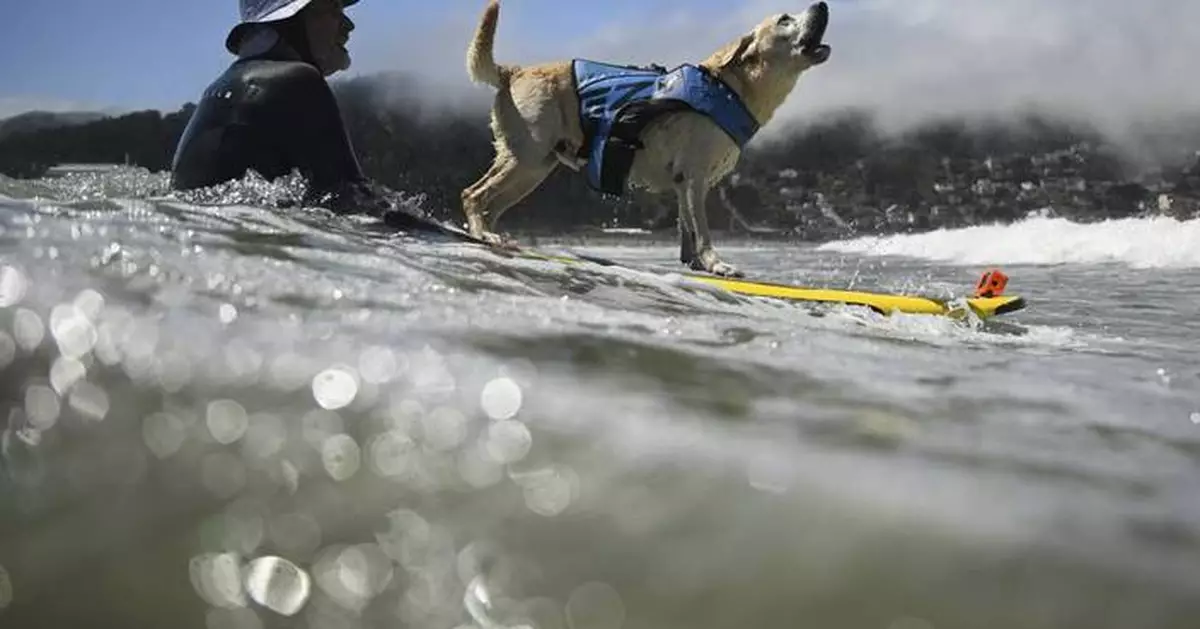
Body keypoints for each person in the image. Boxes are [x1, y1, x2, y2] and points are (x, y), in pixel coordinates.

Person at [171, 0, 458, 235]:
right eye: (333, 9)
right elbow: (360, 203)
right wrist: (470, 247)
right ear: (291, 21)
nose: (348, 26)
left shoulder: (220, 87)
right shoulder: (298, 79)